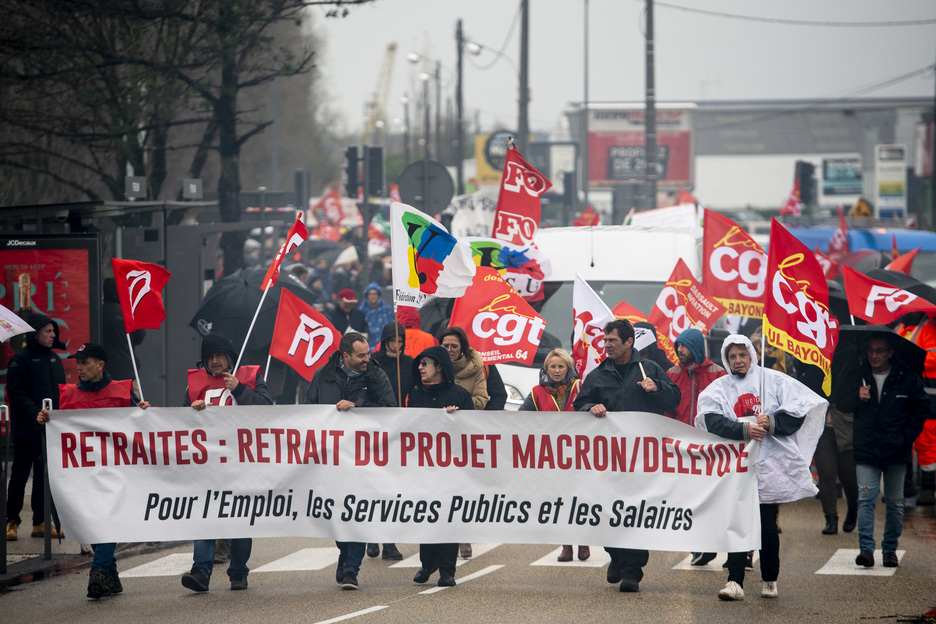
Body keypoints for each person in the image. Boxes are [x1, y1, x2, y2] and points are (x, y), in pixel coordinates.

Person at [695, 334, 826, 601]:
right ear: (726, 359)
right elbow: (710, 419)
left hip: (770, 466)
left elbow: (799, 410)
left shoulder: (773, 380)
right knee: (736, 521)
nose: (737, 361)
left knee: (767, 525)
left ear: (751, 355)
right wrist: (743, 428)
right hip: (737, 466)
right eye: (732, 356)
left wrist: (772, 421)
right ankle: (734, 581)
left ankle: (770, 578)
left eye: (742, 355)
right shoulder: (719, 388)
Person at [573, 319, 680, 593]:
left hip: (642, 458)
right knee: (608, 508)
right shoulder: (598, 374)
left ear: (629, 343)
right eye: (605, 340)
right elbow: (580, 403)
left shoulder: (651, 369)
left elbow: (673, 400)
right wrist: (590, 406)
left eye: (612, 341)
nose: (606, 345)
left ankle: (632, 570)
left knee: (635, 510)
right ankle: (616, 555)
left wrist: (657, 388)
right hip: (609, 458)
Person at [36, 343, 150, 599]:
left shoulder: (122, 392)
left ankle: (98, 572)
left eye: (85, 362)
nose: (79, 367)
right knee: (93, 522)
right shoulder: (67, 395)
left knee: (107, 519)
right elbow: (58, 438)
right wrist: (44, 423)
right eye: (78, 362)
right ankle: (112, 577)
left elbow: (143, 429)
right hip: (82, 476)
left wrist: (145, 414)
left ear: (100, 365)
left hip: (115, 473)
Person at [180, 331, 273, 593]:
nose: (215, 361)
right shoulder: (194, 384)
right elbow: (178, 423)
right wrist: (192, 411)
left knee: (241, 518)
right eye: (210, 357)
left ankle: (239, 571)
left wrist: (240, 390)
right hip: (208, 464)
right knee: (206, 515)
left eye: (219, 355)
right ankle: (201, 571)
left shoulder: (250, 377)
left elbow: (268, 409)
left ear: (230, 357)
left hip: (243, 462)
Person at [304, 332, 396, 589]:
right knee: (336, 515)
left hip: (363, 458)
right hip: (331, 459)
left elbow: (391, 409)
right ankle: (344, 555)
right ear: (346, 356)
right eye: (361, 355)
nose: (368, 358)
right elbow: (308, 409)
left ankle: (351, 570)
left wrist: (358, 407)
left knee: (357, 512)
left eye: (368, 353)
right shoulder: (323, 375)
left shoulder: (377, 376)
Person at [831, 333, 929, 568]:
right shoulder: (858, 375)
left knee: (895, 502)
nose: (874, 355)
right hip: (866, 448)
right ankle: (866, 548)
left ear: (890, 353)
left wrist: (906, 437)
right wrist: (857, 395)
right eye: (871, 350)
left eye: (879, 351)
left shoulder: (905, 376)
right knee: (866, 498)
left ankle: (889, 549)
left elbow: (921, 407)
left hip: (896, 451)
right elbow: (840, 401)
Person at [407, 345, 474, 587]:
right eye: (420, 364)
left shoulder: (460, 396)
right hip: (424, 468)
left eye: (426, 363)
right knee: (427, 515)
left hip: (452, 469)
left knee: (448, 516)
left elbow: (472, 432)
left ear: (440, 368)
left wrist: (454, 420)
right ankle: (427, 562)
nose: (421, 368)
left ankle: (447, 570)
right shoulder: (415, 395)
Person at [662, 327, 726, 566]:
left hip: (711, 449)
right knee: (689, 499)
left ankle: (730, 548)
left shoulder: (718, 374)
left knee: (714, 499)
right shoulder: (672, 373)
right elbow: (668, 409)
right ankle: (700, 546)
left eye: (685, 346)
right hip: (682, 448)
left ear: (697, 348)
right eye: (678, 345)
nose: (680, 350)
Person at [518, 348, 587, 562]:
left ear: (568, 368)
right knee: (561, 501)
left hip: (579, 455)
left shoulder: (581, 387)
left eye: (561, 366)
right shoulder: (537, 392)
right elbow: (520, 418)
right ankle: (567, 546)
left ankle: (584, 541)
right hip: (553, 457)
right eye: (552, 366)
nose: (557, 371)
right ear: (546, 369)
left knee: (581, 499)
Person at [5, 313, 67, 541]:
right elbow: (16, 393)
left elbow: (60, 392)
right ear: (36, 333)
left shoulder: (54, 359)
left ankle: (40, 521)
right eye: (48, 331)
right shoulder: (20, 360)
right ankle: (11, 520)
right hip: (26, 427)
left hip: (49, 428)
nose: (53, 335)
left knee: (44, 474)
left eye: (54, 332)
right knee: (20, 474)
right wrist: (35, 413)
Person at [438, 326, 487, 559]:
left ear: (462, 348)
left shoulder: (475, 368)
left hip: (465, 437)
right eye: (445, 346)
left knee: (461, 489)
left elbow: (481, 399)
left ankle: (463, 534)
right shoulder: (432, 365)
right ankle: (444, 537)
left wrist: (458, 405)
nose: (449, 350)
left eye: (453, 346)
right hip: (437, 438)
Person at [365, 322, 411, 561]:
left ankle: (389, 542)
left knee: (394, 489)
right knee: (375, 486)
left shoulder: (410, 363)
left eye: (400, 341)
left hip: (400, 432)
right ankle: (373, 537)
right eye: (392, 341)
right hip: (375, 429)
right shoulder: (373, 362)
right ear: (384, 342)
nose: (397, 345)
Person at [360, 282, 394, 350]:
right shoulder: (361, 311)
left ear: (379, 295)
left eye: (375, 293)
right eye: (370, 294)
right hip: (366, 348)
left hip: (384, 347)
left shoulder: (387, 310)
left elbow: (392, 327)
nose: (373, 296)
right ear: (367, 296)